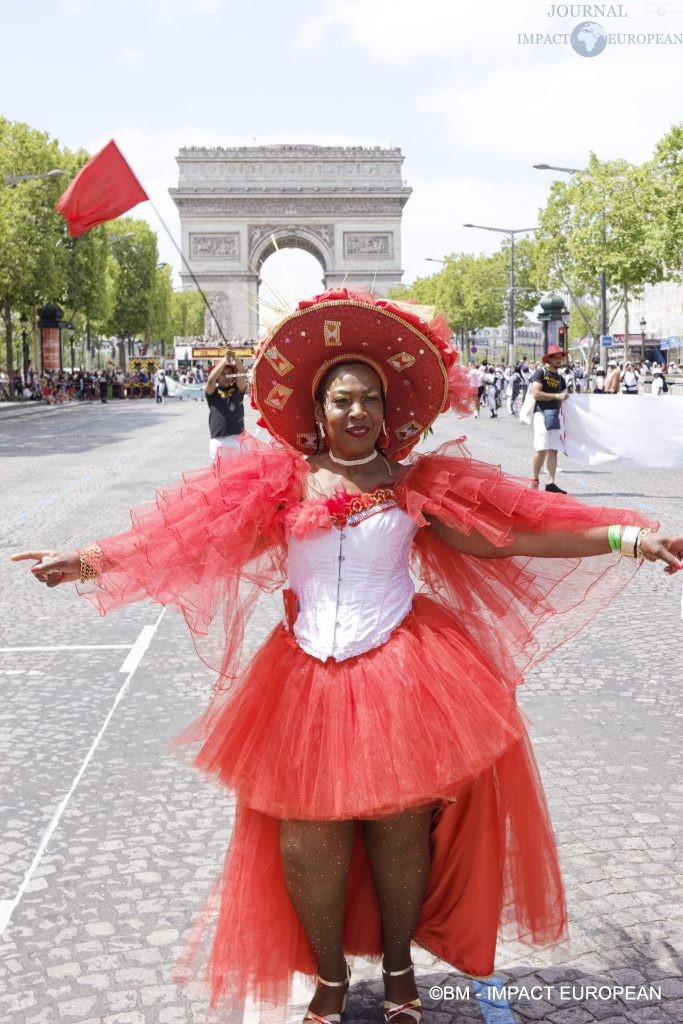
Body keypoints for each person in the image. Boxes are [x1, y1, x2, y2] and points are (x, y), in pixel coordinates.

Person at [12, 289, 683, 1024]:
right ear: (316, 410)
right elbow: (190, 535)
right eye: (340, 400)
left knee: (399, 832)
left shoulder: (415, 485)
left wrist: (624, 535)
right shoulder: (277, 485)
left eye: (368, 398)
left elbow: (514, 528)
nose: (355, 411)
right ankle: (328, 979)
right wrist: (91, 558)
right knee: (307, 838)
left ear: (388, 410)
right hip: (301, 678)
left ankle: (400, 975)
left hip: (400, 665)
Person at [529, 345, 570, 494]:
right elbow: (536, 393)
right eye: (557, 357)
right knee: (541, 450)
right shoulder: (540, 373)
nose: (560, 360)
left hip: (555, 415)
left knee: (553, 450)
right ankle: (534, 480)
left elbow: (566, 397)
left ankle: (551, 483)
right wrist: (557, 396)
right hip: (541, 414)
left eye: (561, 357)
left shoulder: (560, 378)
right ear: (549, 359)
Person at [204, 352, 248, 462]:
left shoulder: (238, 389)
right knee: (219, 477)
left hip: (237, 439)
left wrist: (234, 356)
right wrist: (225, 360)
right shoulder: (212, 392)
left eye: (229, 373)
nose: (226, 376)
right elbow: (211, 380)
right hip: (218, 441)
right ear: (217, 376)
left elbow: (242, 373)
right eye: (222, 373)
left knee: (237, 477)